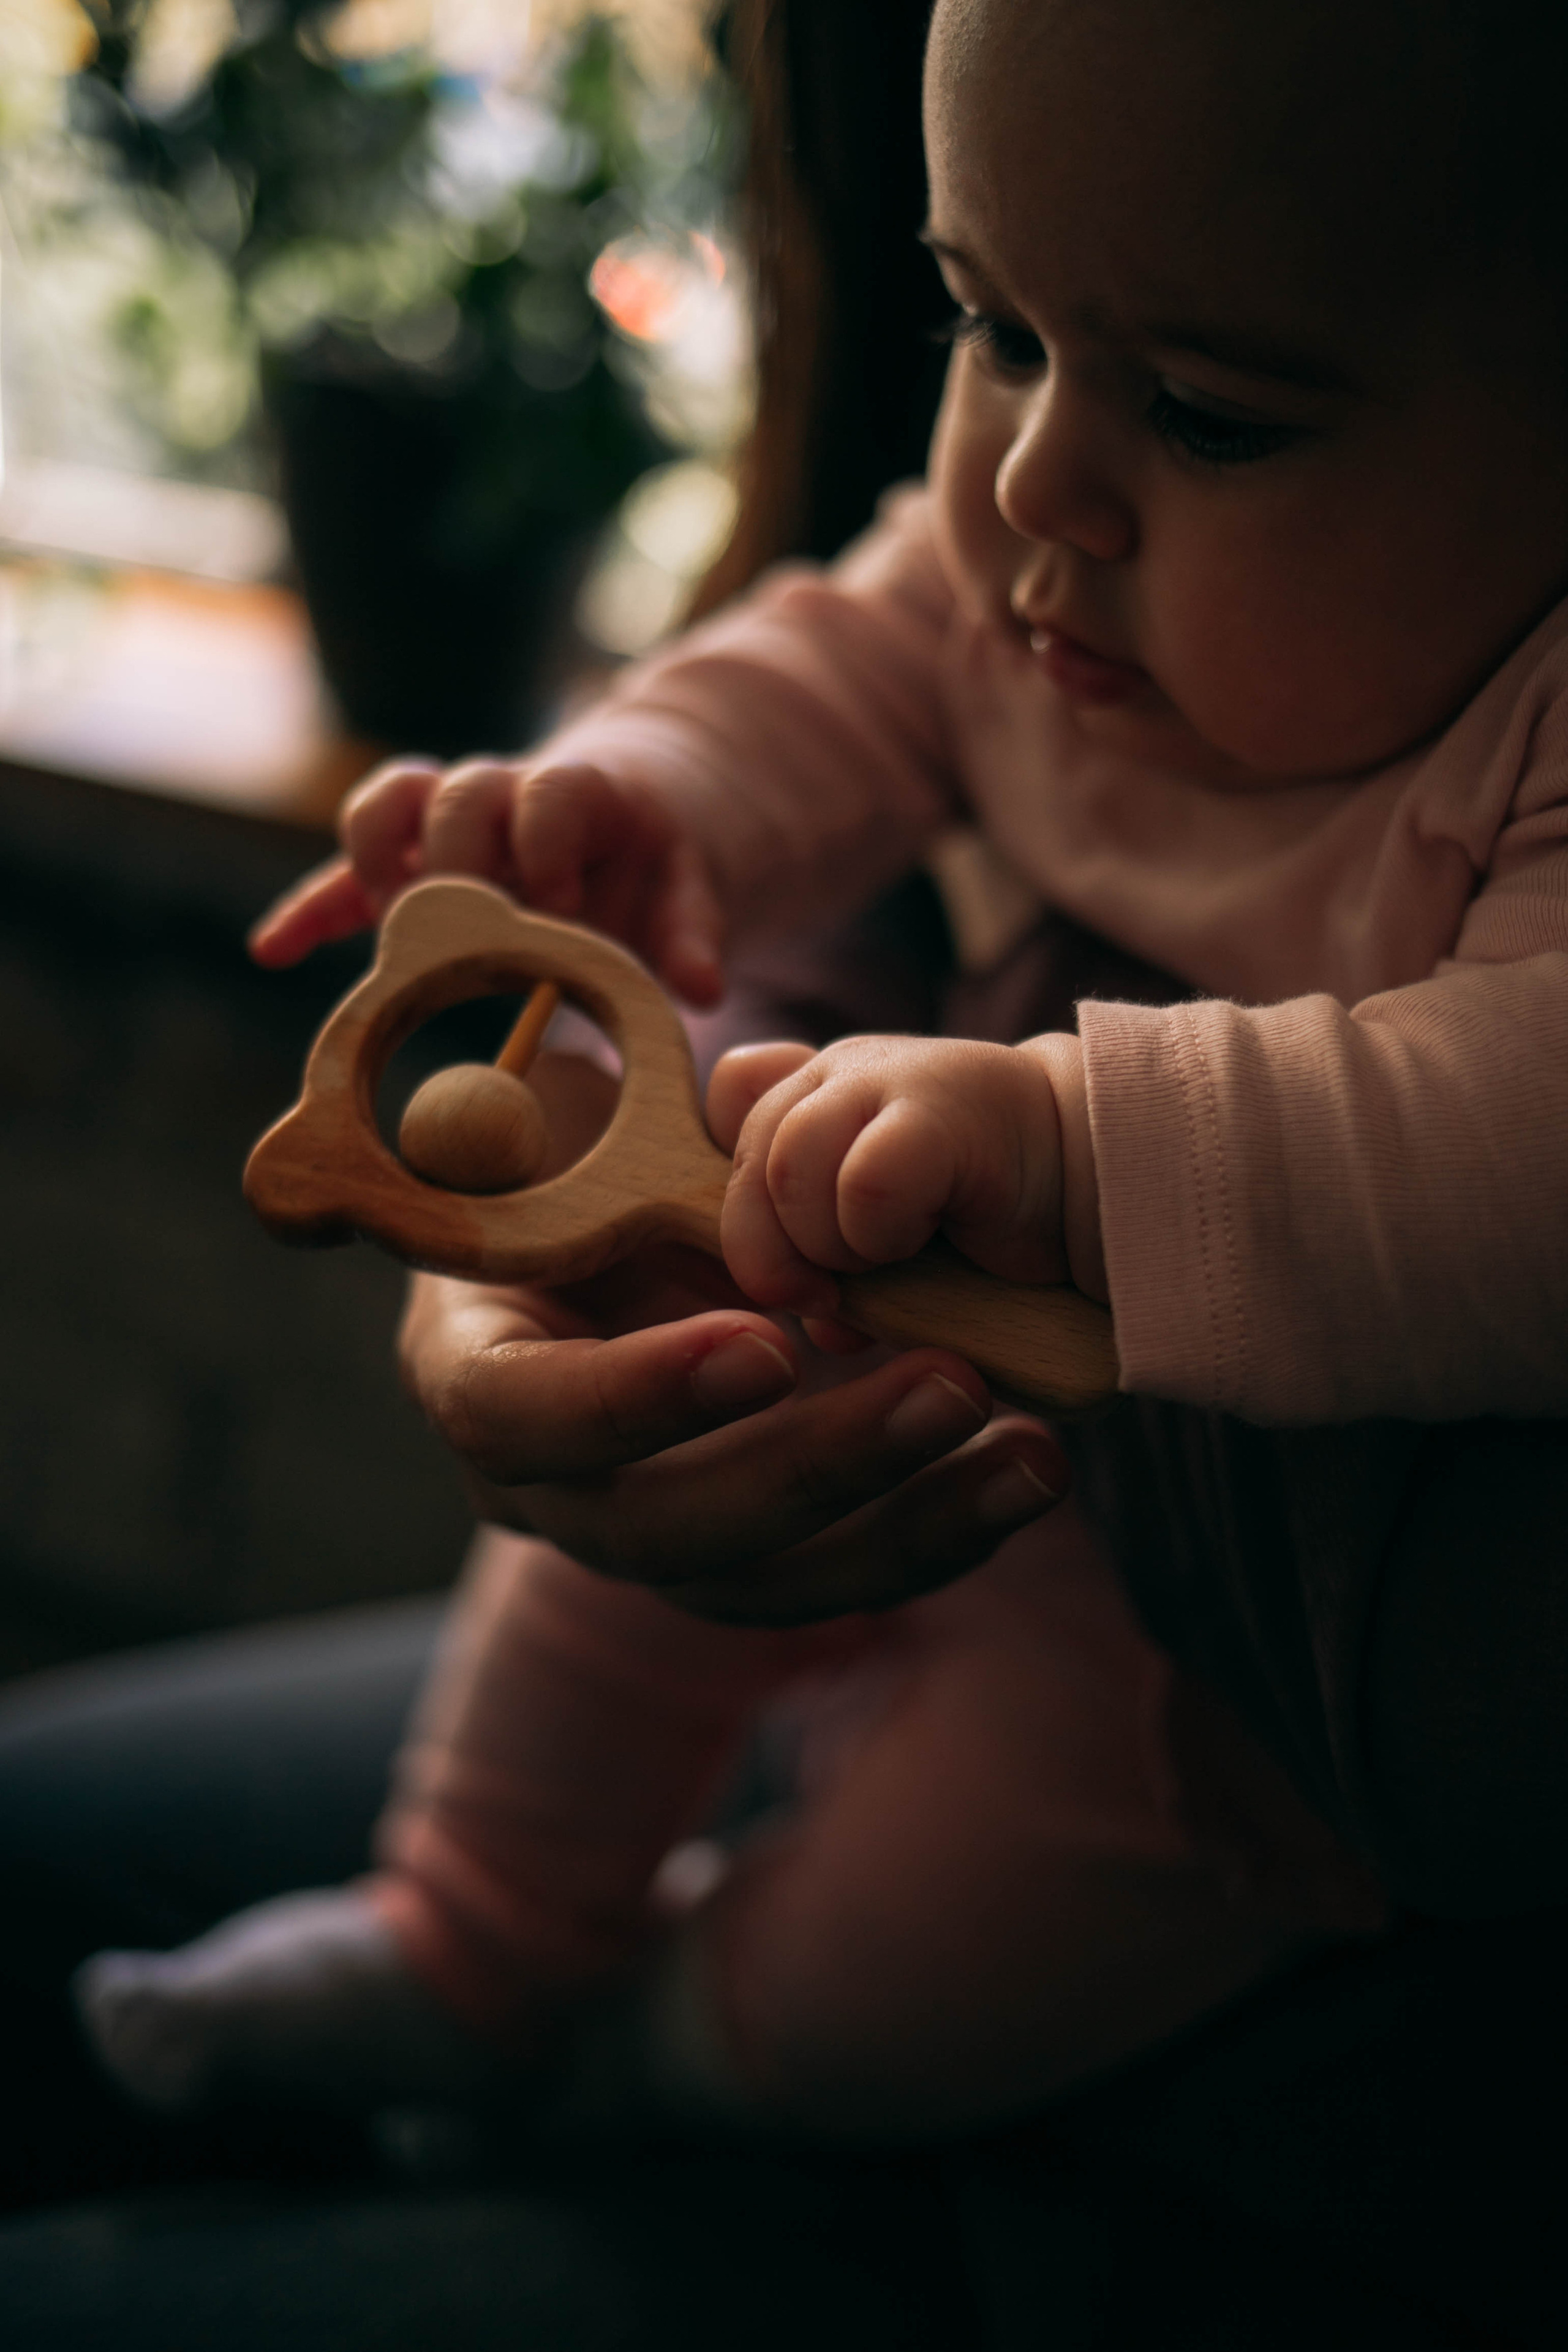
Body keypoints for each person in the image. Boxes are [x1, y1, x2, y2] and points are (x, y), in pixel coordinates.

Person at [74, 0, 1568, 2149]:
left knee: (900, 1966)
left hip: (1185, 1693)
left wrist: (1071, 1141)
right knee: (636, 1502)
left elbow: (1526, 1144)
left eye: (1218, 419)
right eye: (993, 329)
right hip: (880, 1371)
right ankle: (472, 1936)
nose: (1035, 475)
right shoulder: (1055, 579)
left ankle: (654, 2069)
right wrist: (630, 805)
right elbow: (837, 663)